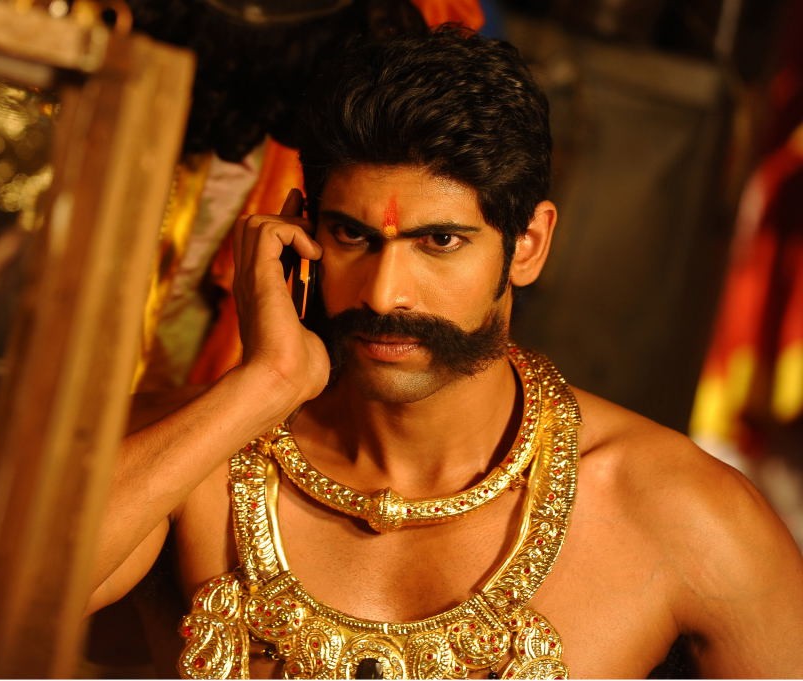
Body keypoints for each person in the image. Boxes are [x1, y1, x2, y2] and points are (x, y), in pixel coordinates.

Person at [86, 26, 803, 678]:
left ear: (528, 244)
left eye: (439, 241)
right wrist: (265, 383)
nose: (385, 292)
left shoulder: (678, 511)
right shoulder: (189, 453)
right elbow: (19, 598)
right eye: (352, 235)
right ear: (299, 231)